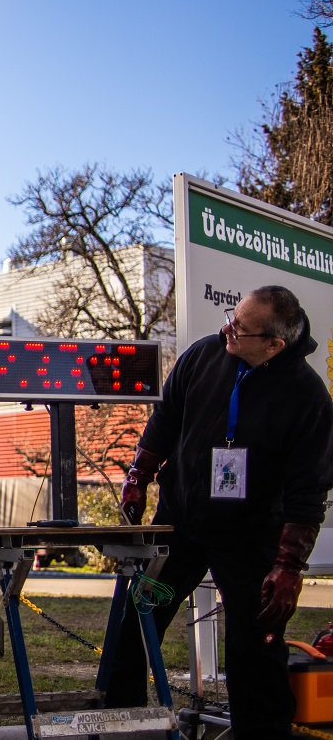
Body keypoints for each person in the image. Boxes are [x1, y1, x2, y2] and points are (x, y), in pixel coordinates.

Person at [108, 285, 333, 739]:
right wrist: (139, 473)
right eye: (232, 317)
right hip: (182, 522)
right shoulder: (204, 355)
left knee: (256, 644)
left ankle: (262, 732)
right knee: (136, 616)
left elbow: (307, 490)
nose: (226, 329)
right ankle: (119, 717)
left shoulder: (308, 397)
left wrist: (289, 565)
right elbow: (165, 419)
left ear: (274, 345)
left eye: (240, 328)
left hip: (252, 537)